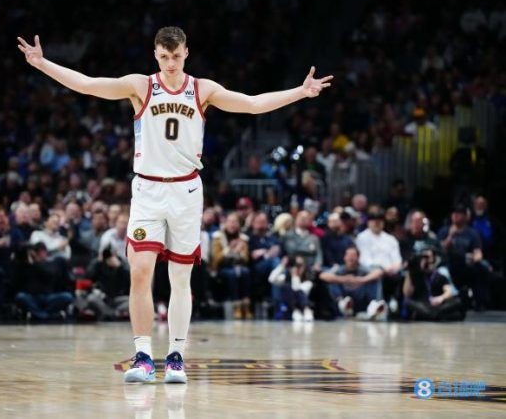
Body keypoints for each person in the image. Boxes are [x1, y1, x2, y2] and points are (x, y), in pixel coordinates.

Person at [18, 25, 333, 384]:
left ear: (186, 53)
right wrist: (43, 64)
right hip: (148, 190)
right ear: (156, 55)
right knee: (140, 271)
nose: (170, 63)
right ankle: (142, 356)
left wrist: (300, 92)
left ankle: (176, 357)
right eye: (165, 56)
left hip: (186, 191)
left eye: (177, 56)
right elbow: (89, 84)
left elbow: (251, 104)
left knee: (180, 278)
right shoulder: (141, 86)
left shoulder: (202, 89)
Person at [319, 246, 386, 320]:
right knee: (332, 279)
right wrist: (344, 279)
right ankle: (342, 303)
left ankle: (374, 305)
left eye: (353, 255)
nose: (350, 258)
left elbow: (379, 272)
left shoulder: (363, 268)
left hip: (360, 295)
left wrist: (361, 280)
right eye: (348, 255)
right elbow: (323, 275)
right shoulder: (339, 269)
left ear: (358, 257)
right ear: (344, 257)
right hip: (343, 296)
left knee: (374, 279)